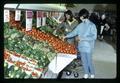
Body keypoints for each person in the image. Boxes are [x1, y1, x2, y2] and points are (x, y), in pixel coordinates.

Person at [63, 8, 97, 79]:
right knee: (84, 61)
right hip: (81, 46)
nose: (80, 17)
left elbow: (94, 37)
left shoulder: (92, 25)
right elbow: (74, 32)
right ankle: (86, 73)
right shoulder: (80, 25)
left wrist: (82, 38)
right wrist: (66, 36)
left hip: (89, 47)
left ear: (83, 16)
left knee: (89, 61)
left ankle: (92, 73)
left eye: (80, 16)